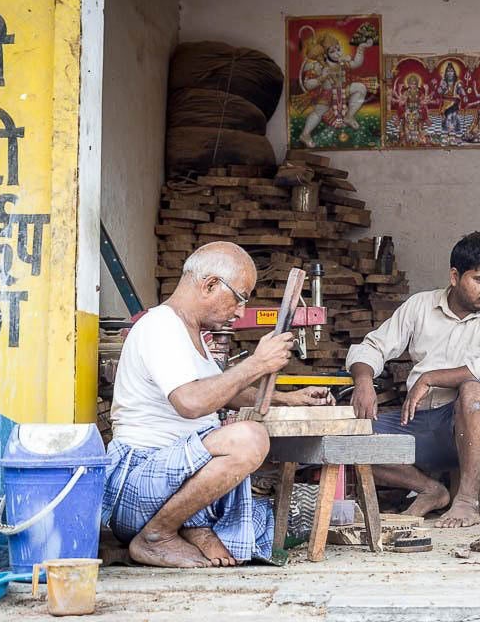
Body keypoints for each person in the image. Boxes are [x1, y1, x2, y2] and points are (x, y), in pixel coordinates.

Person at [103, 242, 333, 568]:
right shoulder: (160, 327)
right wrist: (256, 363)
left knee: (265, 526)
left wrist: (289, 398)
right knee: (249, 440)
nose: (240, 312)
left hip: (173, 480)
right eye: (240, 298)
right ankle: (157, 534)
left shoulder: (192, 333)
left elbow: (221, 390)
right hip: (139, 482)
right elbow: (192, 402)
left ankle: (191, 526)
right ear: (210, 284)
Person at [346, 232, 480, 528]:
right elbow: (373, 347)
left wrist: (430, 378)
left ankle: (466, 502)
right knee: (346, 436)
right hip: (427, 423)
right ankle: (431, 489)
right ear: (455, 276)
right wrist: (364, 381)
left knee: (474, 391)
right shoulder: (420, 306)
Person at [297, 29, 374, 146]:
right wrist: (321, 78)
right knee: (318, 112)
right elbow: (307, 84)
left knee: (361, 88)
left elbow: (356, 63)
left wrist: (361, 48)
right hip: (326, 96)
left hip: (342, 92)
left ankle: (349, 117)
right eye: (333, 51)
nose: (337, 53)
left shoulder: (342, 62)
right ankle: (305, 134)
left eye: (338, 49)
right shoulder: (318, 65)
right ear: (325, 54)